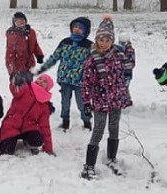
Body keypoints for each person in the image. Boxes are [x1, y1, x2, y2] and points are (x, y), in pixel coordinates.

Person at [80, 16, 135, 179]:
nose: (103, 43)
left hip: (116, 99)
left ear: (112, 41)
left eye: (107, 40)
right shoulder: (92, 59)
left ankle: (112, 158)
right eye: (101, 40)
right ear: (96, 40)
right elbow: (86, 83)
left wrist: (128, 45)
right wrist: (86, 102)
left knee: (114, 128)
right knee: (98, 130)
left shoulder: (119, 55)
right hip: (99, 102)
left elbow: (130, 64)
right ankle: (89, 166)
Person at [36, 16, 92, 131]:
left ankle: (87, 123)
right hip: (65, 79)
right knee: (65, 102)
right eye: (75, 27)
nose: (77, 29)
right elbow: (55, 57)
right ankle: (65, 122)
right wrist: (42, 68)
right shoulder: (65, 42)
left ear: (86, 31)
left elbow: (95, 63)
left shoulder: (89, 46)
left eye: (80, 28)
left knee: (82, 103)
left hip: (80, 82)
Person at [0, 73, 55, 156]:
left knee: (37, 140)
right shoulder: (26, 88)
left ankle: (28, 141)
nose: (41, 81)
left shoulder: (44, 104)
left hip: (29, 127)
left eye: (45, 81)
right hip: (12, 124)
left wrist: (48, 148)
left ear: (48, 87)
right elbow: (16, 89)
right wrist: (16, 80)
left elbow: (45, 126)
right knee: (5, 151)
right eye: (40, 79)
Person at [5, 11, 44, 78]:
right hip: (18, 66)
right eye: (18, 21)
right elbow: (10, 54)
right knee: (20, 86)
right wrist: (11, 70)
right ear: (14, 23)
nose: (21, 22)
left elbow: (35, 44)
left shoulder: (31, 32)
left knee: (29, 84)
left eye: (22, 19)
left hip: (30, 64)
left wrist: (39, 55)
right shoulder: (12, 35)